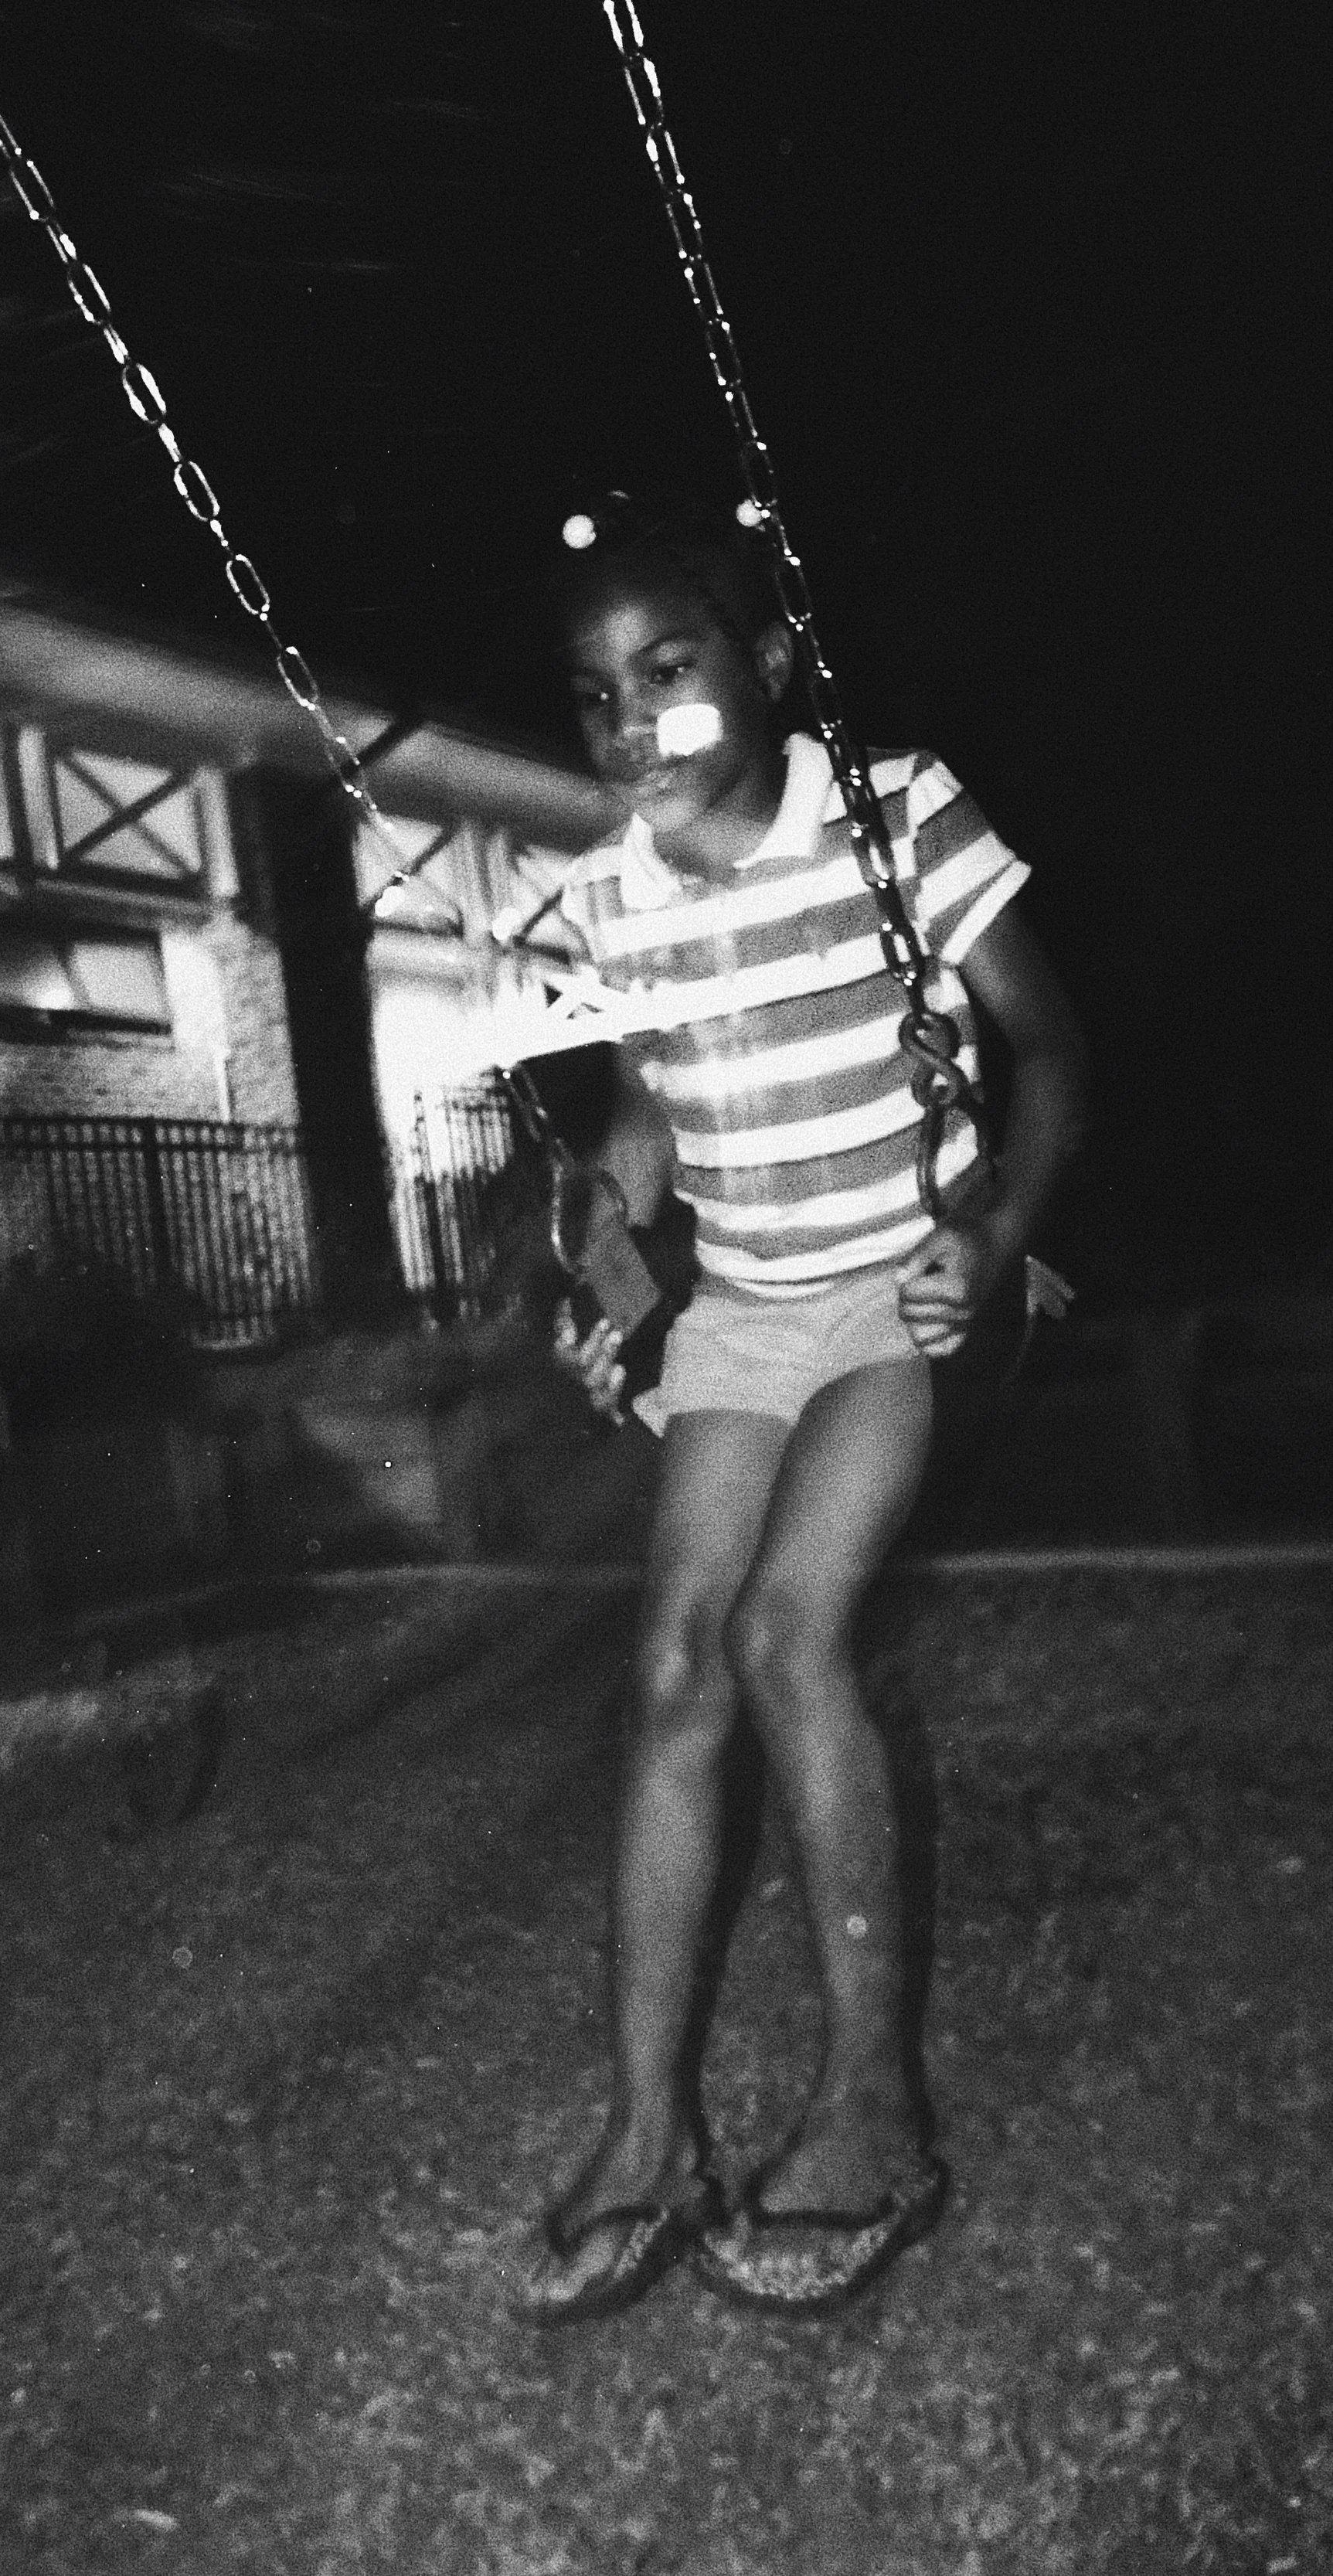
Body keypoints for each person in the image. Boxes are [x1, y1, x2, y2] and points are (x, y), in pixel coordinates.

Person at [515, 490, 1087, 2325]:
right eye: (595, 695)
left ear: (765, 667)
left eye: (667, 673)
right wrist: (597, 1269)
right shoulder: (607, 884)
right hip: (744, 1313)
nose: (629, 726)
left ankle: (873, 2107)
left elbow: (1048, 1047)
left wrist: (992, 1230)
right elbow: (647, 1115)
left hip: (890, 1294)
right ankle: (647, 2128)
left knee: (782, 1634)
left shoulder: (892, 811)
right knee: (669, 1665)